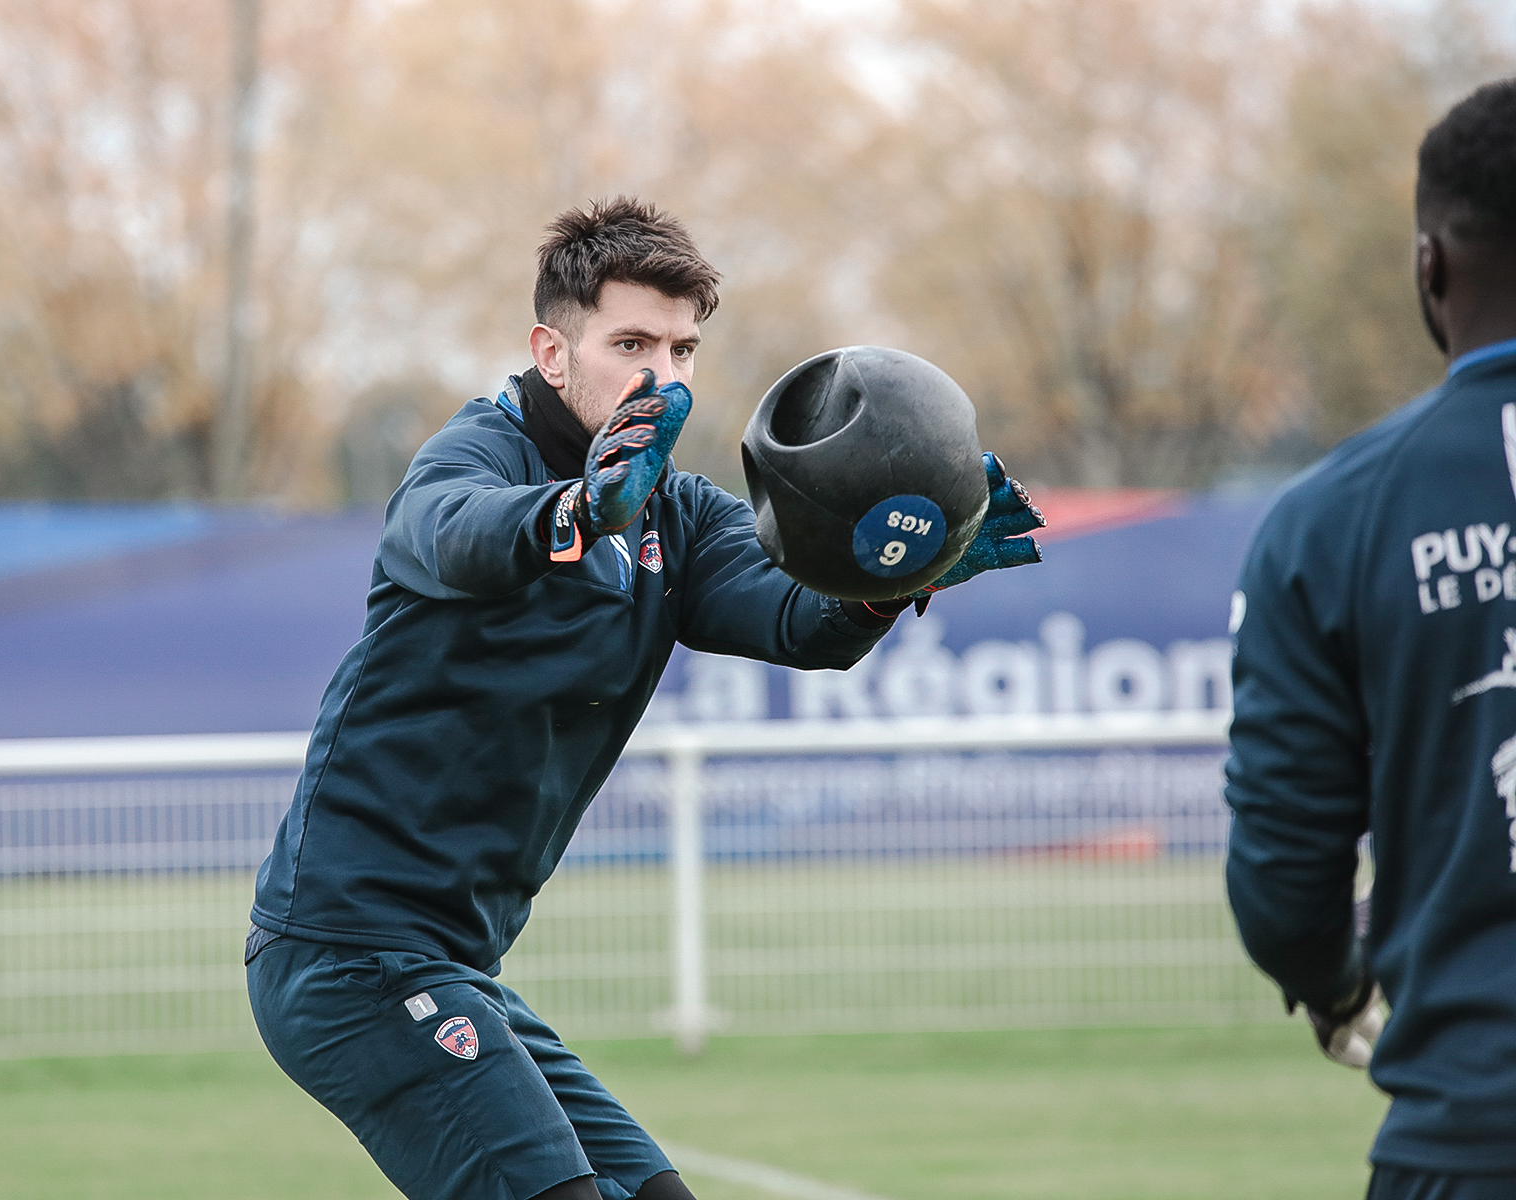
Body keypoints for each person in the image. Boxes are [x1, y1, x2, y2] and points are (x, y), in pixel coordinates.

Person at [245, 196, 1045, 1200]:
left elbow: (799, 622)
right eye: (631, 345)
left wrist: (889, 577)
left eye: (682, 350)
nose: (661, 377)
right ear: (551, 353)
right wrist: (580, 510)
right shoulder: (474, 456)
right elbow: (452, 531)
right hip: (346, 957)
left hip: (451, 966)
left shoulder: (677, 513)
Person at [1225, 80, 1516, 1199]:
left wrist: (1337, 984)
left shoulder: (1331, 520)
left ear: (1430, 266)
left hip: (1473, 1135)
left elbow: (1283, 882)